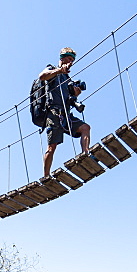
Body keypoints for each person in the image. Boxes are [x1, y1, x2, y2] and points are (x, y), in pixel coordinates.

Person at [39, 47, 91, 178]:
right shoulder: (51, 69)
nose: (71, 62)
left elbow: (69, 98)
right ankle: (46, 176)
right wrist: (59, 70)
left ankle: (85, 153)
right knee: (52, 147)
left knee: (85, 128)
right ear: (62, 58)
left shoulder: (67, 79)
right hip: (54, 114)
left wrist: (75, 93)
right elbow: (42, 76)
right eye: (68, 59)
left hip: (66, 115)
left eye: (72, 60)